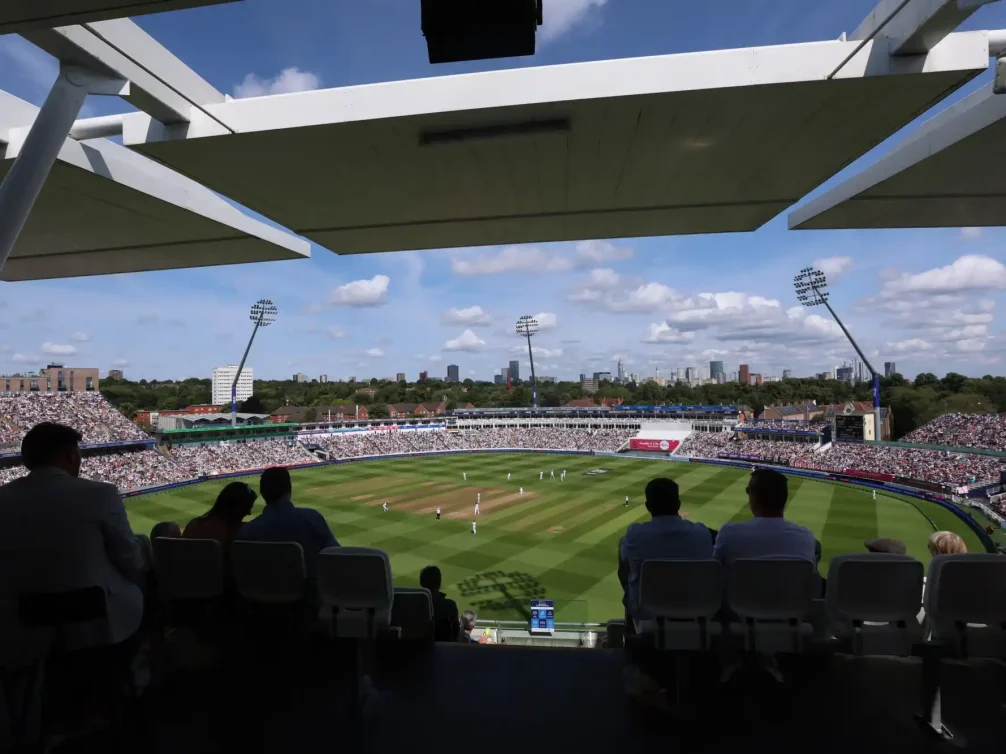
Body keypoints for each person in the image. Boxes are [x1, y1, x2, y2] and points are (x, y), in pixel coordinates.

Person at [0, 422, 144, 649]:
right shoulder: (100, 494)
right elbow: (132, 563)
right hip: (96, 626)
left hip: (21, 632)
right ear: (69, 456)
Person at [619, 478, 713, 622]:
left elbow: (624, 567)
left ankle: (632, 634)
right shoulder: (701, 533)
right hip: (695, 610)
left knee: (626, 561)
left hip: (646, 613)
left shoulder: (634, 535)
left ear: (648, 506)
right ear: (678, 504)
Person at [238, 467, 339, 580]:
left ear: (262, 493)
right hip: (310, 594)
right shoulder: (312, 518)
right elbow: (336, 555)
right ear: (289, 490)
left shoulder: (248, 530)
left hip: (261, 595)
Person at [713, 469, 816, 564]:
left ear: (755, 497)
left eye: (748, 491)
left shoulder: (728, 533)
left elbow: (714, 572)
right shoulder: (806, 538)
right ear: (784, 498)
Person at [183, 481, 256, 549]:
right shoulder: (243, 532)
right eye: (248, 508)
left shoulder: (194, 525)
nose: (249, 513)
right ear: (236, 508)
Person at [419, 565, 460, 642]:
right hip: (443, 650)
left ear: (421, 582)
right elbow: (455, 633)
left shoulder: (412, 605)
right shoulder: (449, 605)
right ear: (439, 583)